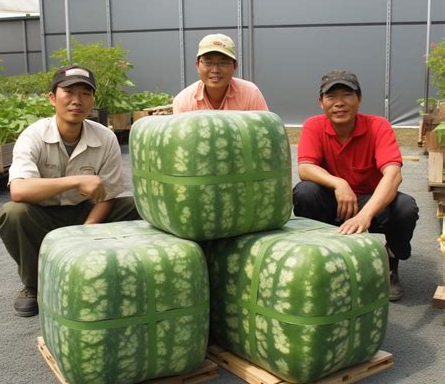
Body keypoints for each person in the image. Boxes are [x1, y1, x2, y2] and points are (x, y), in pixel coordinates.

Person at [0, 65, 140, 317]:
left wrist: (88, 228)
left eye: (85, 93)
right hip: (43, 214)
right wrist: (76, 181)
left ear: (93, 100)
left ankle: (130, 275)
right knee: (13, 213)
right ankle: (33, 284)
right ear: (52, 98)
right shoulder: (34, 136)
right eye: (69, 92)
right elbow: (18, 190)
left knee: (142, 206)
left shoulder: (105, 138)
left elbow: (108, 195)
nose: (77, 100)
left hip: (85, 212)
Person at [293, 70, 419, 301]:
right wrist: (339, 183)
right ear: (321, 102)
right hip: (334, 200)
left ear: (359, 99)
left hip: (370, 201)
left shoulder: (378, 126)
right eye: (331, 97)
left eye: (347, 95)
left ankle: (390, 264)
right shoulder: (313, 125)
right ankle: (319, 261)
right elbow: (305, 168)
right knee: (305, 192)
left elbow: (393, 174)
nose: (339, 103)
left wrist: (366, 215)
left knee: (405, 208)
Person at [172, 33, 269, 113]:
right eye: (208, 62)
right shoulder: (183, 102)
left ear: (235, 66)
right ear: (197, 65)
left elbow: (264, 132)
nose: (215, 70)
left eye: (223, 63)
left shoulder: (251, 94)